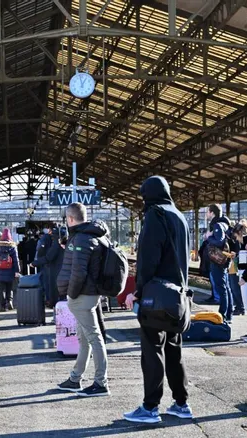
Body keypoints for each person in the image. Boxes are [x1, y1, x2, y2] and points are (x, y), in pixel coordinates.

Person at [124, 176, 192, 424]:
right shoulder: (179, 216)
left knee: (152, 351)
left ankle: (150, 407)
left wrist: (137, 292)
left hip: (156, 297)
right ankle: (181, 403)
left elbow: (148, 260)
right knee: (174, 350)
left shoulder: (155, 215)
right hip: (177, 299)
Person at [56, 203, 109, 397]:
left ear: (70, 219)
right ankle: (75, 378)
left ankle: (101, 383)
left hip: (82, 296)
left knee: (94, 337)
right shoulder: (94, 235)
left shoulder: (81, 239)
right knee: (84, 338)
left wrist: (71, 294)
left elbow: (78, 272)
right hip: (90, 294)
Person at [206, 204, 233, 322]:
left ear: (212, 213)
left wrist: (208, 237)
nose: (206, 214)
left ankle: (223, 314)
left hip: (218, 261)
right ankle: (229, 313)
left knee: (221, 288)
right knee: (226, 287)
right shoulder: (224, 223)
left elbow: (219, 241)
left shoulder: (217, 225)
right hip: (224, 261)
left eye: (207, 211)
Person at [0, 228, 20, 312]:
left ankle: (2, 306)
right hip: (10, 271)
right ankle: (9, 302)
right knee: (9, 288)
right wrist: (17, 271)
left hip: (0, 271)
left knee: (1, 289)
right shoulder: (13, 247)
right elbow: (16, 260)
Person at [228, 223, 246, 316]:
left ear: (239, 233)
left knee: (236, 288)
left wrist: (244, 277)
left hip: (242, 273)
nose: (236, 238)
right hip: (239, 270)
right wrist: (236, 255)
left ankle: (240, 307)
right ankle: (240, 307)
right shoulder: (242, 243)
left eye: (236, 235)